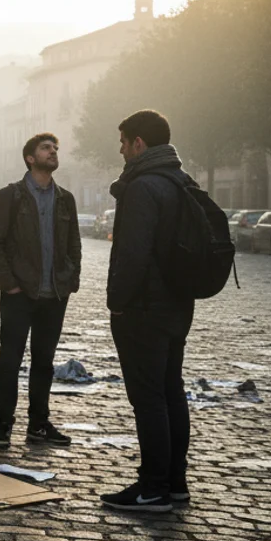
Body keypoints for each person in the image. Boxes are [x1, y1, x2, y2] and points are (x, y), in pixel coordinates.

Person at [100, 110, 195, 513]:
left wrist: (116, 303)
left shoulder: (142, 187)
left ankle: (152, 487)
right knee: (171, 392)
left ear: (138, 143)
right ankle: (175, 482)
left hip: (143, 308)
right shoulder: (181, 181)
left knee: (149, 397)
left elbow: (134, 255)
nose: (121, 150)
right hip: (177, 303)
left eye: (123, 142)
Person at [0, 132, 82, 449]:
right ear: (30, 157)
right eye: (46, 148)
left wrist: (70, 278)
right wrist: (8, 283)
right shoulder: (10, 196)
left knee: (44, 362)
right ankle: (3, 425)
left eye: (55, 148)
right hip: (19, 294)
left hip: (54, 294)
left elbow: (73, 244)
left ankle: (38, 424)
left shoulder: (65, 198)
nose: (53, 152)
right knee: (10, 361)